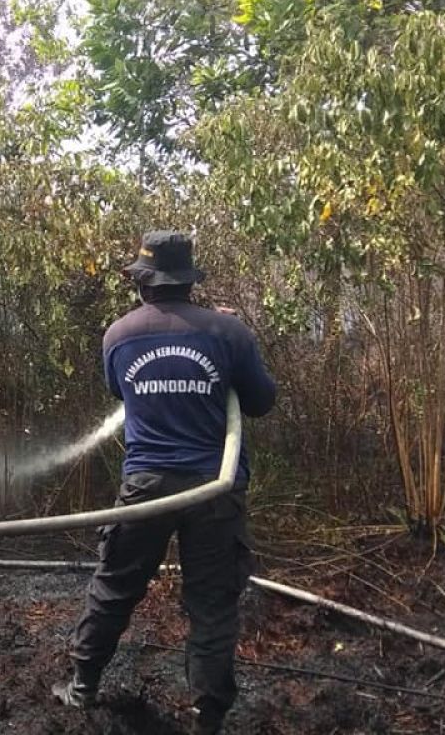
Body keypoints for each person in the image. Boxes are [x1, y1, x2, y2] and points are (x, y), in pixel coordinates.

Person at [52, 230, 277, 735]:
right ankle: (208, 719)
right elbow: (261, 402)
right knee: (212, 602)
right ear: (189, 280)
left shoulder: (119, 335)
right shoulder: (229, 334)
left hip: (146, 487)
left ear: (144, 282)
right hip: (213, 491)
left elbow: (121, 390)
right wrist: (231, 352)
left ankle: (83, 685)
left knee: (115, 585)